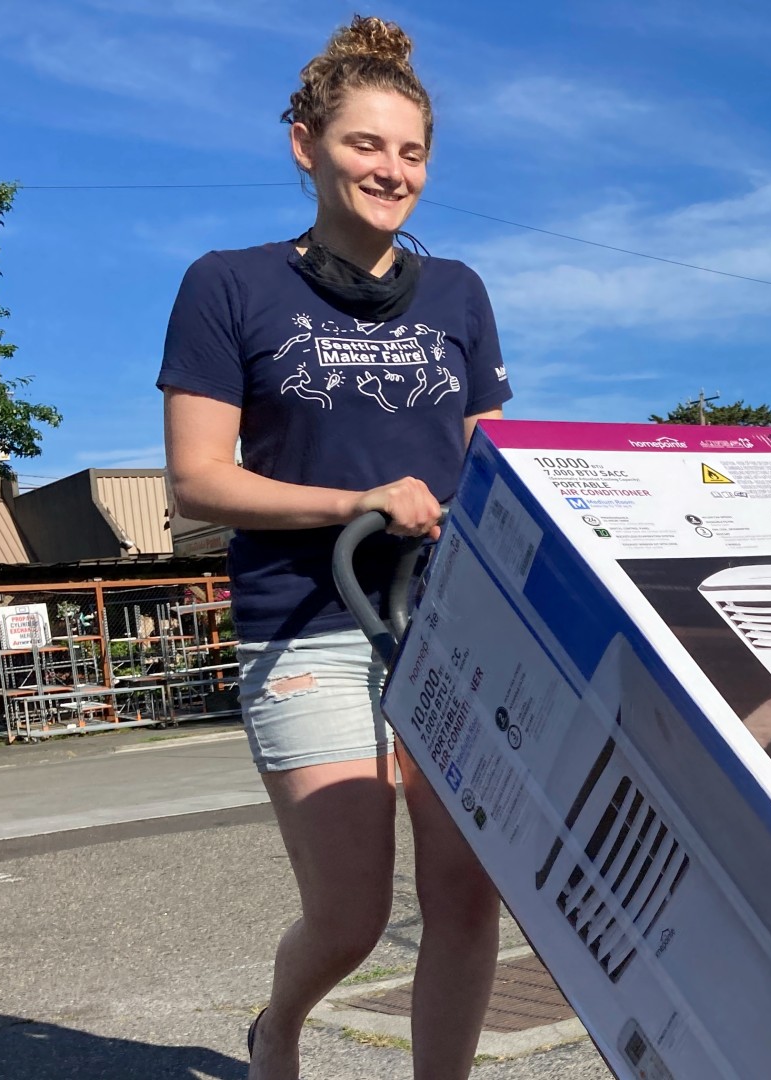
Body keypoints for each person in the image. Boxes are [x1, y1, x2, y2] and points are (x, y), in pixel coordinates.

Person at [157, 16, 511, 1080]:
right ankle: (282, 1025)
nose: (390, 170)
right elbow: (198, 481)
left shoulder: (458, 294)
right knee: (353, 917)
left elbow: (490, 463)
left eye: (410, 152)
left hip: (448, 627)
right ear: (305, 144)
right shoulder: (230, 285)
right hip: (307, 624)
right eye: (365, 144)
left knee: (464, 896)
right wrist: (355, 498)